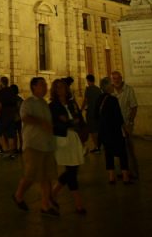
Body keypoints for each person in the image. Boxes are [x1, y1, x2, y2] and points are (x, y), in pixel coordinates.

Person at [13, 77, 58, 216]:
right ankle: (18, 195)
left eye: (45, 85)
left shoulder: (45, 103)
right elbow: (25, 117)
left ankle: (45, 205)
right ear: (34, 87)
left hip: (47, 145)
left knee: (46, 177)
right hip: (33, 145)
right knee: (31, 175)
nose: (45, 87)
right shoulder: (28, 102)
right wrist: (41, 122)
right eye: (42, 85)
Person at [49, 78, 87, 215]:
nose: (61, 90)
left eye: (62, 87)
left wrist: (80, 129)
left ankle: (52, 194)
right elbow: (55, 124)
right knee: (71, 171)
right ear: (54, 90)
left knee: (73, 169)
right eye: (58, 87)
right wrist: (70, 122)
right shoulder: (53, 105)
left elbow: (80, 119)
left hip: (75, 138)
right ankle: (78, 204)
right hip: (63, 139)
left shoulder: (72, 103)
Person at [97, 77, 131, 184]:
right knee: (122, 152)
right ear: (107, 87)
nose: (113, 87)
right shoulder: (113, 99)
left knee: (109, 153)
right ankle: (125, 177)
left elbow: (95, 115)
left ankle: (111, 177)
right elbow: (118, 116)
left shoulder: (99, 99)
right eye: (111, 85)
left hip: (104, 131)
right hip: (114, 131)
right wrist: (125, 128)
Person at [111, 70, 139, 180]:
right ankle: (121, 172)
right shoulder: (110, 91)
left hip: (126, 124)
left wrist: (131, 122)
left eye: (117, 78)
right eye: (114, 79)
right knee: (117, 150)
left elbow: (134, 106)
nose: (116, 80)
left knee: (129, 148)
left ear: (121, 78)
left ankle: (133, 171)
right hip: (114, 125)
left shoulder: (129, 90)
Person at [0, 76, 18, 155]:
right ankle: (11, 151)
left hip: (3, 116)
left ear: (1, 82)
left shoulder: (0, 92)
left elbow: (0, 105)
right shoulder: (12, 91)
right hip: (12, 115)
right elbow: (15, 103)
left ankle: (5, 148)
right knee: (10, 134)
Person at [82, 74, 102, 153]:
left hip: (91, 112)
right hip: (98, 113)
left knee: (93, 130)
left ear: (88, 80)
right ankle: (99, 145)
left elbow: (85, 100)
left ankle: (97, 147)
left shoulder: (88, 89)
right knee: (97, 130)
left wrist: (81, 109)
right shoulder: (98, 89)